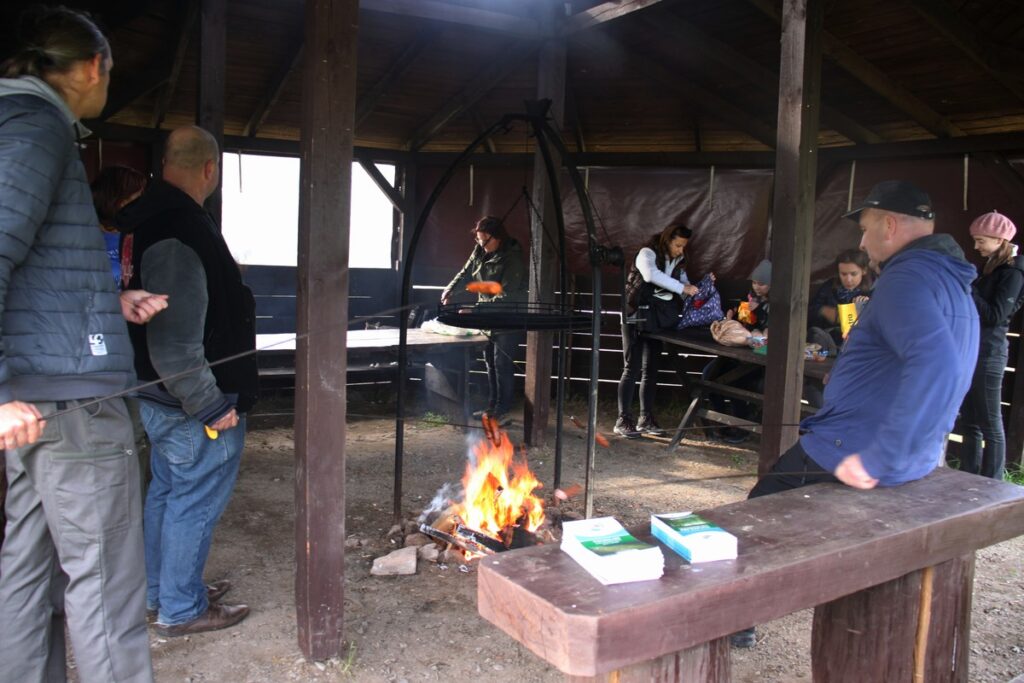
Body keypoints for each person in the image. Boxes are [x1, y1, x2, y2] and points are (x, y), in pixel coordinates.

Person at [731, 180, 979, 649]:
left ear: (889, 223)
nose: (863, 243)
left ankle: (736, 618)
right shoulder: (950, 279)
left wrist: (883, 453)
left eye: (866, 230)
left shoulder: (907, 278)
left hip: (853, 447)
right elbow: (926, 360)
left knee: (758, 514)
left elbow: (939, 364)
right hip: (906, 450)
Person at [0, 7, 167, 682]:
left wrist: (106, 301)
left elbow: (31, 265)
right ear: (93, 67)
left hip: (42, 399)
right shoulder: (35, 131)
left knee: (26, 575)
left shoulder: (19, 127)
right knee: (106, 591)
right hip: (67, 409)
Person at [117, 126, 258, 637]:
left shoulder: (145, 218)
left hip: (155, 392)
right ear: (208, 169)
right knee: (194, 497)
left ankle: (163, 591)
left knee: (169, 492)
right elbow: (175, 342)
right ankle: (182, 608)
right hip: (188, 400)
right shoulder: (179, 228)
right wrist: (210, 405)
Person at [617, 223, 703, 438]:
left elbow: (683, 285)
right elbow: (650, 276)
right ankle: (623, 419)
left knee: (651, 369)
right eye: (677, 245)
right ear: (667, 240)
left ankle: (645, 418)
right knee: (632, 368)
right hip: (635, 316)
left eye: (683, 246)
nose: (680, 250)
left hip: (656, 320)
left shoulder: (678, 262)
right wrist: (682, 288)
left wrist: (697, 291)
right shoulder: (646, 254)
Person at [441, 216, 527, 425]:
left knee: (502, 362)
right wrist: (450, 290)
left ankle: (503, 409)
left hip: (508, 317)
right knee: (490, 360)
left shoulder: (512, 259)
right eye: (478, 240)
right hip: (487, 315)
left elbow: (507, 296)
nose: (481, 244)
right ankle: (492, 407)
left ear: (498, 238)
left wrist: (477, 309)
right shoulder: (481, 250)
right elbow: (466, 272)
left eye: (485, 240)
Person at [958, 211, 1024, 480]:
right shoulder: (993, 269)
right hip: (976, 349)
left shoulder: (1011, 272)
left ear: (1000, 240)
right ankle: (968, 477)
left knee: (991, 423)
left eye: (981, 240)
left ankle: (993, 482)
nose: (976, 246)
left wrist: (970, 287)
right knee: (970, 420)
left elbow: (995, 316)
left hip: (990, 352)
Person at [807, 249, 873, 353]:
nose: (848, 279)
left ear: (863, 271)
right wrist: (822, 310)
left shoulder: (871, 292)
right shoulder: (829, 288)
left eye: (853, 274)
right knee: (815, 334)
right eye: (844, 274)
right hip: (828, 339)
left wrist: (861, 309)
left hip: (856, 343)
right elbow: (808, 314)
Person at [91, 164, 147, 285]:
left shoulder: (140, 235)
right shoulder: (86, 238)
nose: (142, 203)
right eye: (137, 197)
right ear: (118, 200)